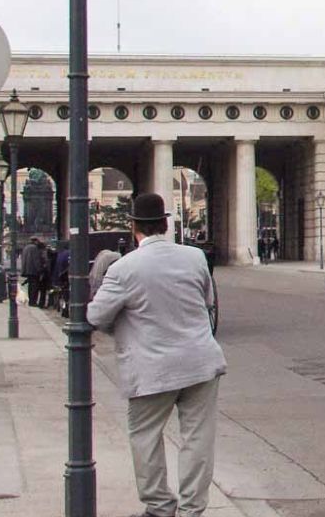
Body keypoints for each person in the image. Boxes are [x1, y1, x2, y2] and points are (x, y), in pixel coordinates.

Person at [87, 193, 226, 517]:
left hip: (152, 368)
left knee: (145, 437)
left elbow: (95, 316)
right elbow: (205, 302)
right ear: (165, 224)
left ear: (133, 226)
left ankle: (160, 505)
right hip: (201, 362)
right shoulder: (195, 257)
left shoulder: (124, 269)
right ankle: (193, 510)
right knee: (198, 439)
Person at [21, 238, 47, 307]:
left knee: (30, 287)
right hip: (34, 271)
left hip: (27, 270)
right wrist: (40, 270)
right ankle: (33, 302)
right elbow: (36, 260)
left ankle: (31, 301)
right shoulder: (34, 248)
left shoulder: (26, 247)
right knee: (35, 287)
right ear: (35, 241)